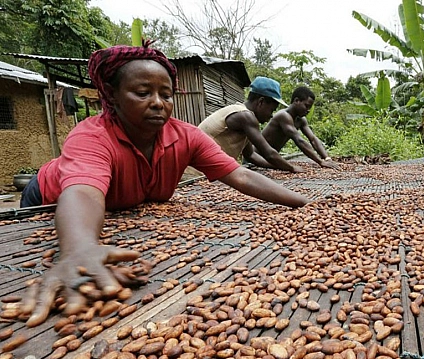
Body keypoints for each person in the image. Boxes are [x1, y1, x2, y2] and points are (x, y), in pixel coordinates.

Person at [18, 43, 310, 327]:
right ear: (112, 95)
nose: (158, 102)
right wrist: (79, 248)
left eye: (166, 94)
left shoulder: (186, 137)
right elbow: (83, 192)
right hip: (51, 201)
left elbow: (242, 175)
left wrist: (306, 202)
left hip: (124, 205)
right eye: (142, 92)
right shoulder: (92, 136)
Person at [198, 76, 304, 173]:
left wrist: (279, 166)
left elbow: (251, 155)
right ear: (261, 102)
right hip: (195, 174)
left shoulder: (243, 117)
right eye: (271, 110)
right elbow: (269, 154)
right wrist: (292, 168)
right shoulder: (246, 117)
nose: (271, 115)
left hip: (206, 170)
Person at [258, 86, 340, 169]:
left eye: (309, 108)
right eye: (306, 106)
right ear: (296, 101)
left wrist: (326, 158)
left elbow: (313, 139)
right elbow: (299, 140)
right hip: (258, 157)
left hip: (271, 158)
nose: (308, 110)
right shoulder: (283, 116)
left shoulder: (301, 120)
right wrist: (320, 161)